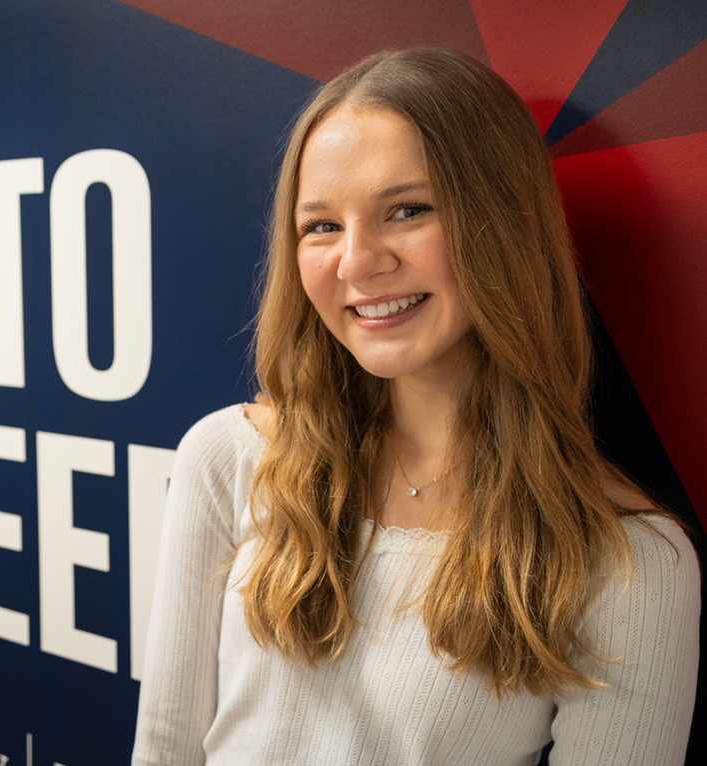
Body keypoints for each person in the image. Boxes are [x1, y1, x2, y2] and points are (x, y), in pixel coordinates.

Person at [131, 46, 700, 765]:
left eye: (407, 210)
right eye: (322, 225)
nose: (358, 262)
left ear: (503, 225)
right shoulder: (227, 459)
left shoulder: (631, 565)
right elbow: (164, 749)